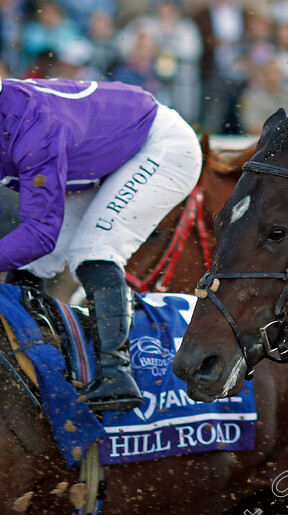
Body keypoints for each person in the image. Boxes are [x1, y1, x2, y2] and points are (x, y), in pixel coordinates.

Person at [0, 78, 202, 411]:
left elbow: (39, 233)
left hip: (160, 146)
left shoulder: (32, 131)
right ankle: (27, 353)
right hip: (97, 156)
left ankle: (116, 374)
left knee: (93, 249)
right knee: (34, 264)